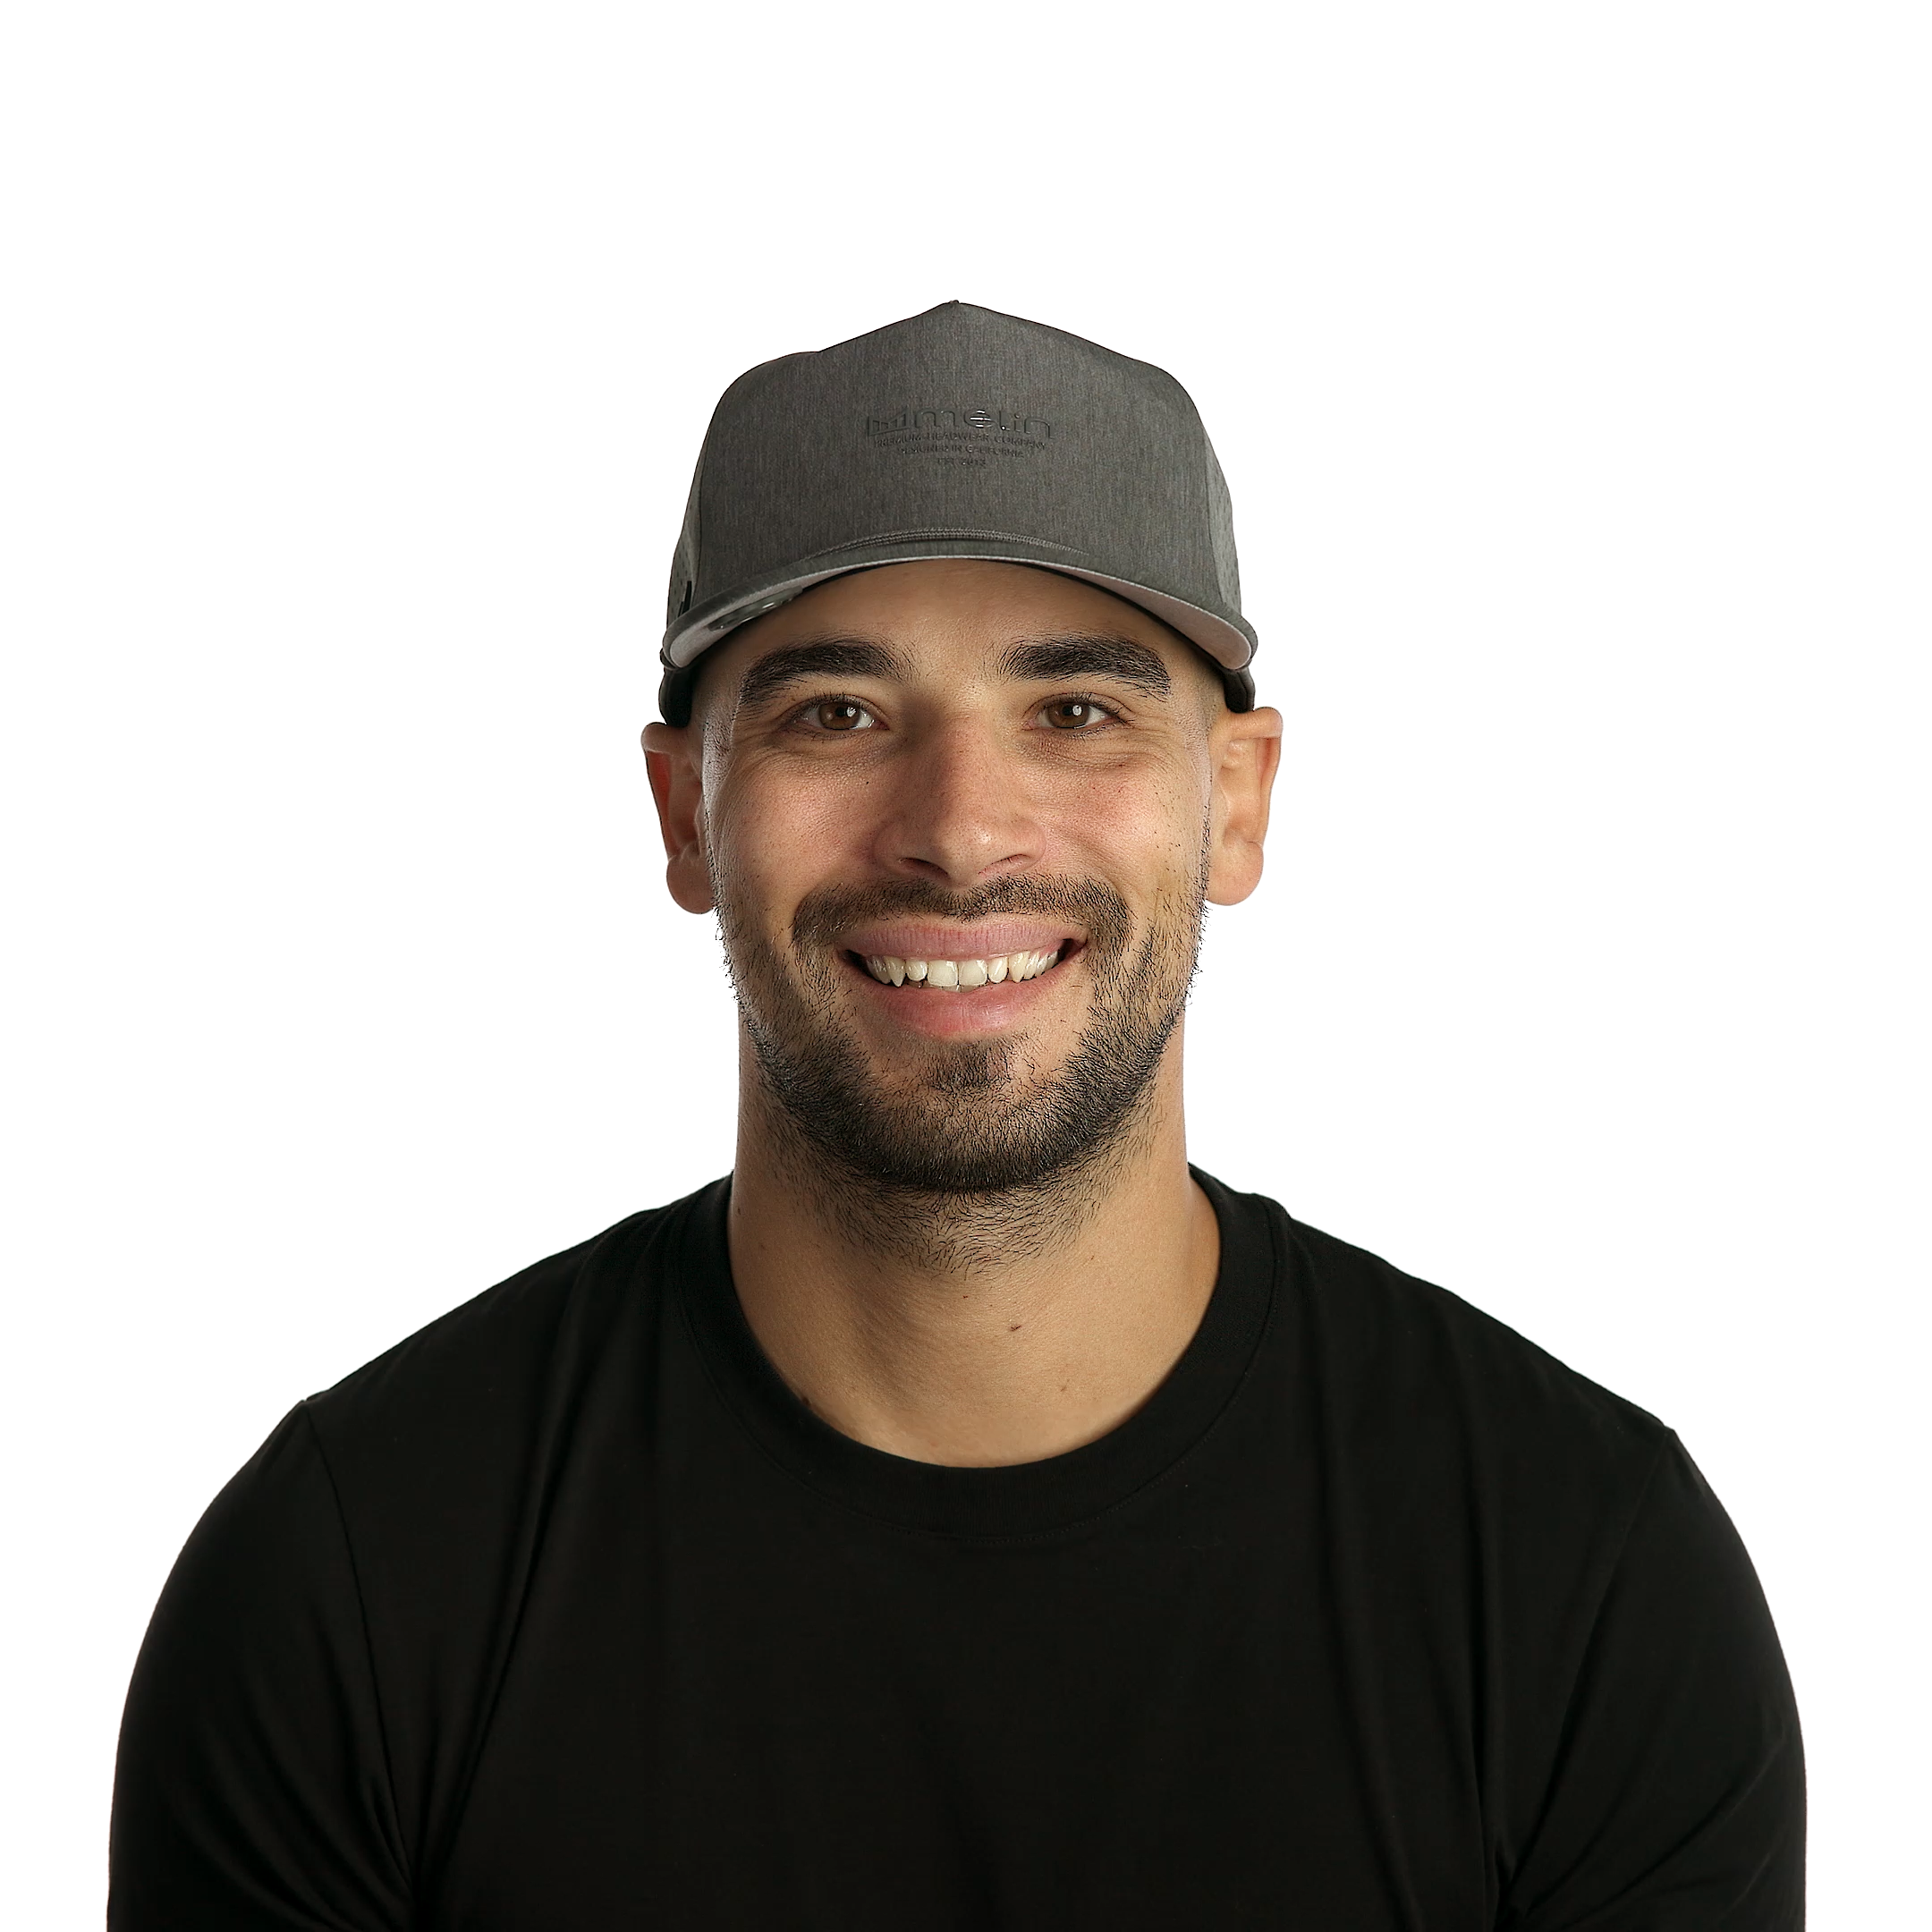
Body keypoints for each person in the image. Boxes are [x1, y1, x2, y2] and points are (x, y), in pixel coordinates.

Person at [109, 302, 1804, 1928]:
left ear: (1237, 801)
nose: (963, 828)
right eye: (836, 715)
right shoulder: (354, 1585)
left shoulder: (1583, 1581)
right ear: (686, 816)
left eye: (1076, 711)